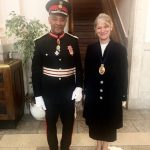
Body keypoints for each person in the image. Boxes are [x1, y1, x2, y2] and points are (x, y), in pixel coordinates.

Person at [31, 0, 83, 150]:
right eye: (55, 18)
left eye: (62, 19)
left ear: (66, 20)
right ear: (49, 19)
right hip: (49, 94)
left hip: (68, 93)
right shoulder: (40, 42)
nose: (58, 23)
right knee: (50, 125)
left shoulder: (73, 41)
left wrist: (79, 86)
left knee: (68, 125)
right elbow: (36, 71)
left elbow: (78, 67)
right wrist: (38, 95)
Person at [83, 13, 128, 150]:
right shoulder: (91, 49)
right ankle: (98, 146)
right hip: (94, 94)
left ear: (111, 27)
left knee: (108, 123)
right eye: (99, 27)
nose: (103, 30)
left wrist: (123, 95)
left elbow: (123, 73)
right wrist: (86, 92)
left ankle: (105, 146)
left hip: (112, 95)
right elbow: (87, 73)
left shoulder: (120, 49)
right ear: (95, 30)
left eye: (106, 26)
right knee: (96, 122)